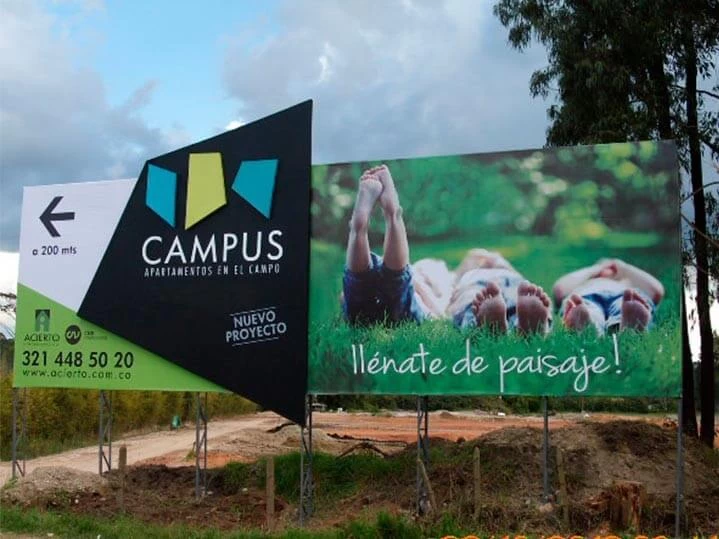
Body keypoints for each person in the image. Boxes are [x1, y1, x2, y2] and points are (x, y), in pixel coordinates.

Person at [342, 164, 552, 335]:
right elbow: (434, 297)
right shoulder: (448, 279)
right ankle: (391, 215)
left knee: (363, 284)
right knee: (395, 279)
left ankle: (359, 228)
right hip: (411, 301)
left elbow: (346, 296)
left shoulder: (455, 279)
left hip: (384, 300)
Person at [552, 259, 664, 335]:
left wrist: (624, 268)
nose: (609, 268)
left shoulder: (627, 284)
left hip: (623, 297)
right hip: (586, 297)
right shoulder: (587, 282)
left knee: (627, 305)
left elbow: (656, 291)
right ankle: (587, 323)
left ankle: (628, 325)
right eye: (605, 265)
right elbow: (560, 289)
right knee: (587, 309)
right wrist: (595, 269)